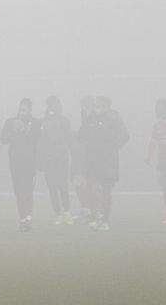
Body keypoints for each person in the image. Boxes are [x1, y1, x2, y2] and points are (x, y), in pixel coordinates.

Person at [79, 96, 129, 231]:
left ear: (107, 105)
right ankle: (96, 218)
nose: (96, 107)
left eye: (99, 104)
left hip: (108, 161)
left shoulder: (114, 117)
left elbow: (125, 136)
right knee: (93, 190)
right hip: (93, 160)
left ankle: (105, 220)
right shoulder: (92, 117)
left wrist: (113, 148)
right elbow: (82, 135)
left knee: (106, 191)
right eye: (95, 104)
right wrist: (84, 117)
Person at [1, 99, 41, 232]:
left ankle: (28, 217)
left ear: (30, 110)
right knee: (18, 192)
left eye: (24, 109)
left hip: (30, 162)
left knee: (28, 191)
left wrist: (24, 130)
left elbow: (37, 138)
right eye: (20, 109)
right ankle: (22, 218)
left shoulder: (35, 122)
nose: (22, 112)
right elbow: (3, 139)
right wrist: (14, 131)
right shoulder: (10, 122)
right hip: (15, 162)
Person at [38, 96, 73, 225]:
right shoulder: (42, 121)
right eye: (52, 104)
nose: (55, 106)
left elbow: (69, 139)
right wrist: (39, 160)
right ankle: (58, 213)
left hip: (61, 158)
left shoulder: (64, 121)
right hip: (48, 159)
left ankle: (67, 212)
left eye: (57, 103)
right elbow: (40, 143)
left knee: (63, 186)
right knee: (52, 187)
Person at [71, 96, 95, 223]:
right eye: (83, 103)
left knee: (88, 183)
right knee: (77, 182)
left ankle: (89, 210)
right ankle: (86, 209)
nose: (84, 106)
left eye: (87, 103)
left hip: (90, 155)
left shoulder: (94, 118)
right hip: (79, 155)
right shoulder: (81, 116)